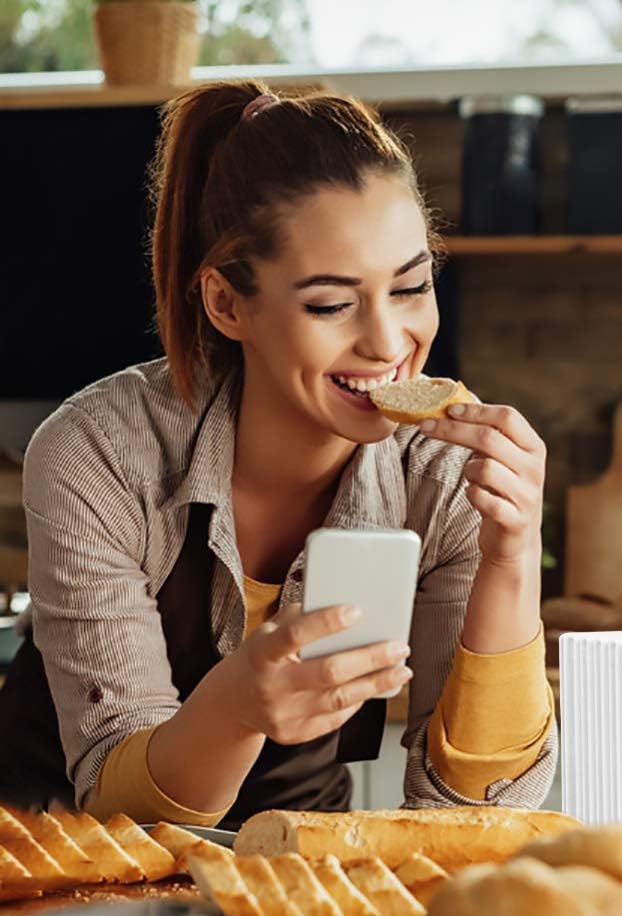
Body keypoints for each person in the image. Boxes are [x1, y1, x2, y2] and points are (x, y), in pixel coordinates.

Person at [0, 82, 555, 828]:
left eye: (412, 287)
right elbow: (114, 801)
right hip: (60, 871)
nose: (389, 344)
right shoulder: (98, 453)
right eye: (331, 304)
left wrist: (512, 558)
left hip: (294, 864)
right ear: (228, 304)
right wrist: (234, 709)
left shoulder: (444, 476)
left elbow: (475, 818)